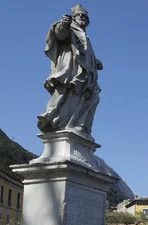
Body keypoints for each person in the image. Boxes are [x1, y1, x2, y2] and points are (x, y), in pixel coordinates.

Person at [37, 4, 103, 138]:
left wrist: (95, 62)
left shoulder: (84, 35)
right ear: (74, 17)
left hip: (86, 73)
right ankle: (52, 119)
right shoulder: (70, 28)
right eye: (80, 15)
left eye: (85, 17)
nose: (83, 18)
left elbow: (85, 52)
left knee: (90, 98)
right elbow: (60, 34)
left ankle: (79, 126)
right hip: (70, 68)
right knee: (65, 93)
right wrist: (64, 25)